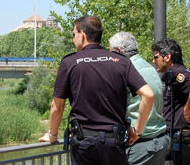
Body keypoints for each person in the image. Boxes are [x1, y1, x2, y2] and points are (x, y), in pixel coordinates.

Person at [38, 15, 155, 165]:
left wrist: (52, 134)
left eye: (74, 34)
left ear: (83, 34)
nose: (73, 39)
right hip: (114, 143)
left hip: (84, 144)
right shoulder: (121, 61)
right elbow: (149, 95)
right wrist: (137, 130)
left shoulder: (70, 62)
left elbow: (57, 106)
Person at [109, 32, 170, 165]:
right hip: (159, 141)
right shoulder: (149, 67)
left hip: (140, 145)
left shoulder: (128, 70)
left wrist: (137, 130)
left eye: (111, 52)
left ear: (118, 51)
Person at [151, 39, 190, 165]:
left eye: (156, 57)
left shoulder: (178, 72)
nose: (153, 61)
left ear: (167, 57)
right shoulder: (171, 74)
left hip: (186, 141)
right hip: (183, 141)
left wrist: (186, 112)